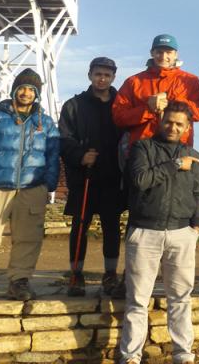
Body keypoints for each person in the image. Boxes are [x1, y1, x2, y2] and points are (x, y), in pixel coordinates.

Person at [0, 69, 60, 302]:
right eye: (22, 88)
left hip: (32, 188)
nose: (26, 93)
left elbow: (53, 155)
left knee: (28, 238)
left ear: (37, 94)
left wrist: (49, 185)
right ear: (14, 90)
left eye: (31, 90)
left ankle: (19, 281)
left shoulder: (45, 124)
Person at [119, 102, 199, 364]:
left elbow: (197, 192)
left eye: (180, 124)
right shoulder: (143, 148)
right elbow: (141, 180)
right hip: (145, 231)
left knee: (180, 298)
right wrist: (176, 164)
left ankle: (183, 355)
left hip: (182, 233)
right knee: (137, 299)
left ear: (187, 127)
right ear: (160, 120)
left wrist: (196, 225)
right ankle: (131, 357)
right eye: (169, 121)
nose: (173, 127)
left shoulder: (195, 155)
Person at [59, 57, 124, 297]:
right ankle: (76, 275)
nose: (102, 78)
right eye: (98, 74)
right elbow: (64, 139)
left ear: (113, 77)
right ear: (90, 75)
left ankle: (110, 275)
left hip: (112, 176)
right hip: (83, 177)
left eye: (107, 75)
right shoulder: (74, 105)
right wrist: (80, 156)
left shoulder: (121, 103)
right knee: (80, 226)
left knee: (111, 227)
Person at [112, 34, 199, 152]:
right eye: (159, 52)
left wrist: (170, 98)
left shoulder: (191, 81)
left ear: (176, 54)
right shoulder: (133, 82)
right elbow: (119, 118)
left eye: (168, 52)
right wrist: (148, 109)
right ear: (152, 53)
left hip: (179, 150)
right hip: (141, 152)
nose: (163, 56)